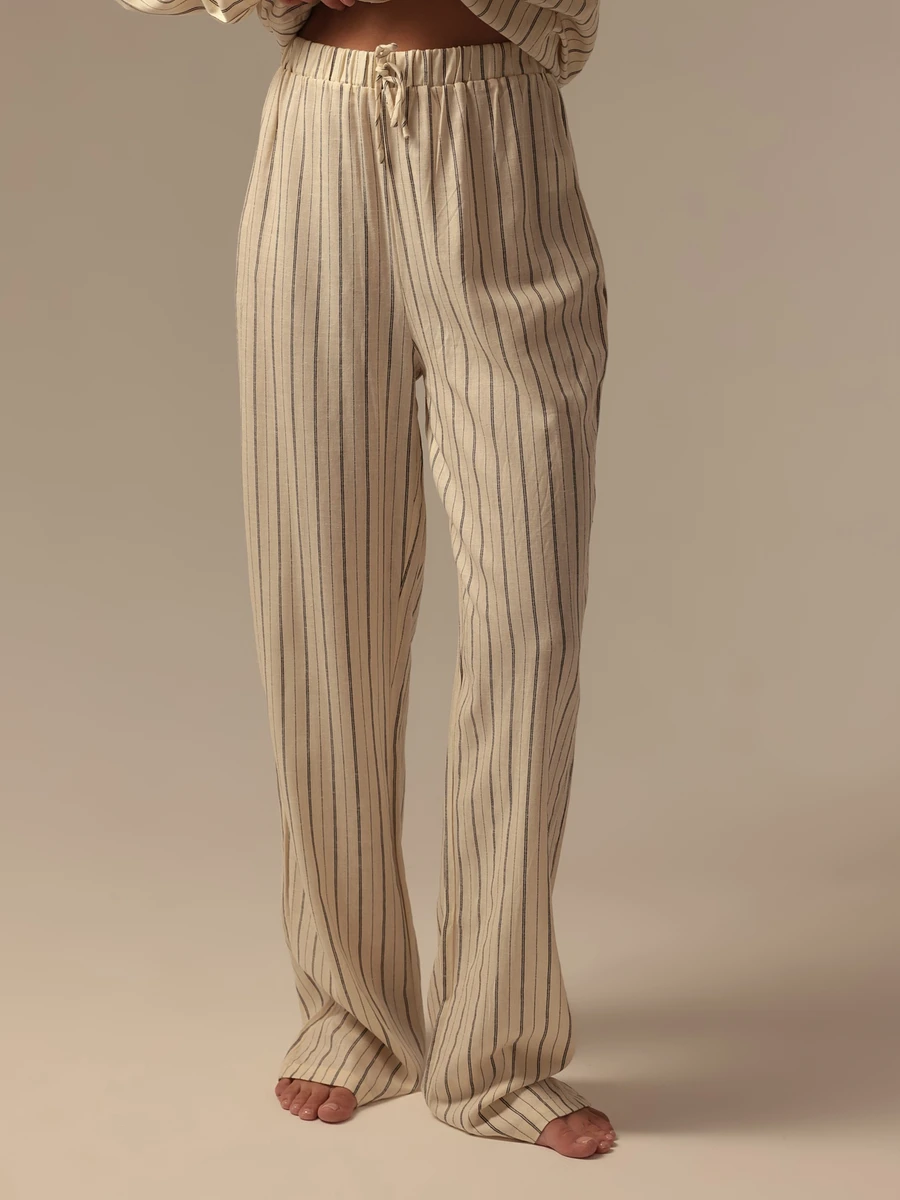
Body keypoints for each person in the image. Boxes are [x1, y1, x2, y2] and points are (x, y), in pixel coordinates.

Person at [113, 0, 613, 1159]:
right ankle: (354, 1014)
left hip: (499, 141)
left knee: (532, 618)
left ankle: (498, 1047)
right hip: (320, 151)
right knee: (322, 610)